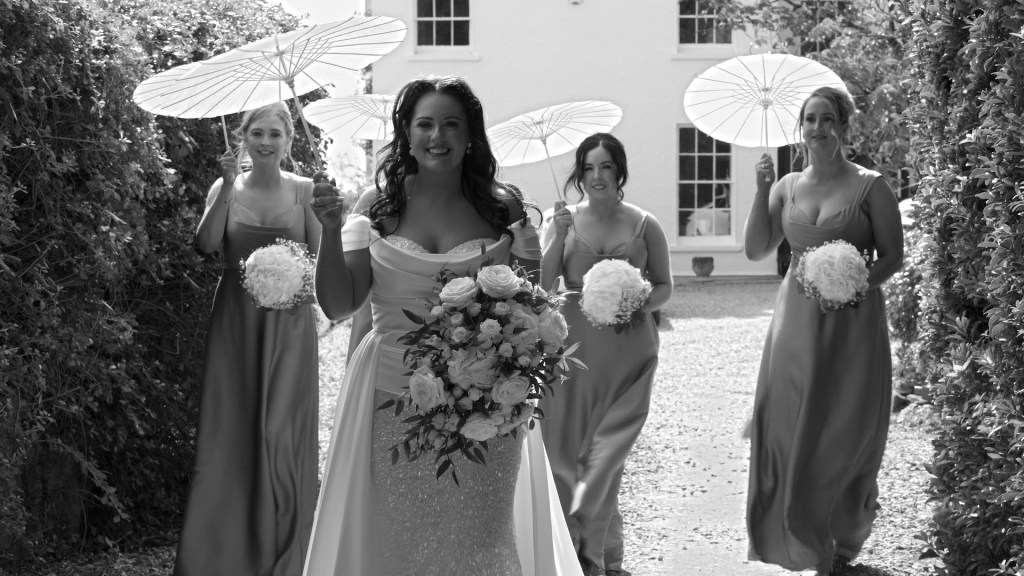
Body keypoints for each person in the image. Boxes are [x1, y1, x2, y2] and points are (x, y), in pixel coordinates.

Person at [303, 75, 582, 576]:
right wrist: (328, 231)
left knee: (480, 541)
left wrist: (508, 370)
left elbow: (532, 306)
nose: (438, 136)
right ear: (407, 134)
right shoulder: (376, 206)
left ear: (470, 134)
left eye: (451, 124)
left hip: (487, 404)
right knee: (398, 541)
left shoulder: (502, 206)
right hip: (390, 398)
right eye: (425, 124)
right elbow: (339, 304)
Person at [743, 86, 904, 576]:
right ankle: (799, 535)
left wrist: (853, 285)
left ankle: (841, 535)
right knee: (788, 422)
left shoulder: (871, 187)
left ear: (844, 126)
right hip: (795, 322)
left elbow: (893, 257)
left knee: (843, 424)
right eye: (810, 119)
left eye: (828, 119)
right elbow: (756, 249)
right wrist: (761, 191)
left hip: (853, 323)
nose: (818, 128)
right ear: (801, 128)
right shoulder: (786, 185)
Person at [174, 102, 321, 576]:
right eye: (257, 133)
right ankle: (221, 551)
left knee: (281, 430)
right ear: (243, 138)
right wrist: (223, 187)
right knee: (231, 428)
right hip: (235, 325)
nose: (265, 142)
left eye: (275, 134)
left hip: (290, 327)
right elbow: (206, 244)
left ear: (289, 141)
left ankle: (285, 548)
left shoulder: (306, 191)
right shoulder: (226, 187)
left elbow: (324, 261)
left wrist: (328, 225)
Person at [539, 133, 674, 576]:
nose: (597, 176)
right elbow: (544, 285)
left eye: (606, 166)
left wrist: (637, 300)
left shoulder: (645, 224)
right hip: (572, 350)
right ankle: (584, 554)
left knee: (605, 454)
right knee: (568, 453)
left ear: (620, 171)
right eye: (589, 167)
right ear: (580, 174)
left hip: (628, 350)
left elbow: (665, 287)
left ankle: (593, 558)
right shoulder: (562, 221)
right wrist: (558, 236)